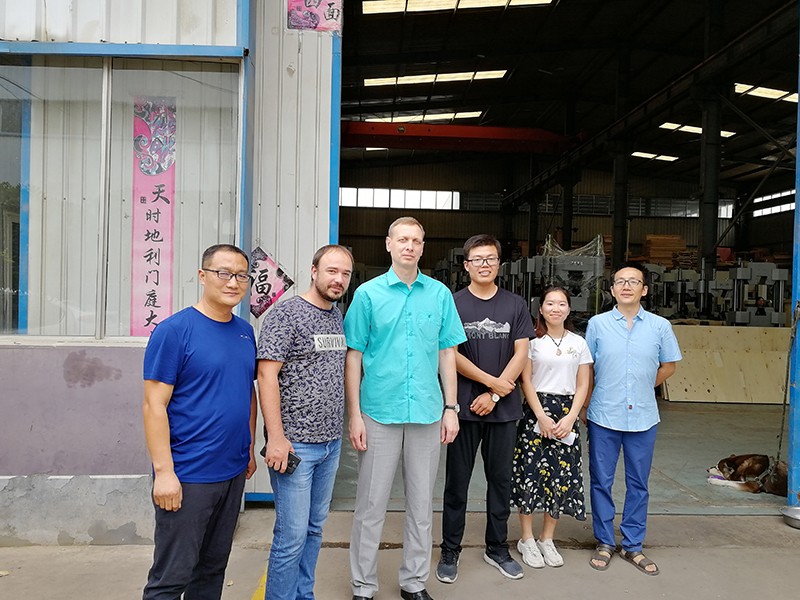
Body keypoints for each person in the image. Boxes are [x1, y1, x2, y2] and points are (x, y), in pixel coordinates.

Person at [345, 216, 467, 600]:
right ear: (389, 244)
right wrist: (354, 415)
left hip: (427, 412)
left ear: (422, 246)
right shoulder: (367, 295)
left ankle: (413, 582)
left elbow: (447, 353)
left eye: (415, 240)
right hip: (378, 411)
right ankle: (363, 586)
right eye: (402, 239)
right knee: (371, 505)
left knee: (420, 505)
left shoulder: (440, 295)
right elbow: (353, 356)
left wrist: (451, 407)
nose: (409, 246)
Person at [142, 243, 258, 599]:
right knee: (171, 577)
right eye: (224, 273)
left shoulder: (244, 331)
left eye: (241, 276)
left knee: (211, 570)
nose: (233, 282)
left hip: (232, 471)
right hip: (189, 474)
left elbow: (247, 392)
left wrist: (249, 447)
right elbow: (153, 405)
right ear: (202, 276)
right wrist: (164, 473)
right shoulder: (174, 331)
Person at [256, 244, 354, 600]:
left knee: (314, 530)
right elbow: (266, 376)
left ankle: (303, 595)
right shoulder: (286, 314)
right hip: (295, 446)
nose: (338, 279)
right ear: (314, 271)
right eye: (331, 271)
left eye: (345, 273)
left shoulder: (336, 316)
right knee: (291, 536)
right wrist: (276, 438)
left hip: (330, 445)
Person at [437, 234, 533, 584]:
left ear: (498, 264)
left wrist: (494, 395)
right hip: (463, 409)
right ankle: (450, 549)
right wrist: (492, 383)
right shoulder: (453, 303)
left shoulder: (515, 304)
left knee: (500, 482)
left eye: (490, 258)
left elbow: (522, 352)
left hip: (503, 411)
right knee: (457, 483)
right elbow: (450, 354)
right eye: (477, 259)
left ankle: (497, 547)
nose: (484, 264)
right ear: (466, 265)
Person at [585, 261, 682, 576]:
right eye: (620, 281)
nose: (626, 286)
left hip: (643, 416)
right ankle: (604, 541)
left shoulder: (659, 326)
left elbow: (669, 366)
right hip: (603, 414)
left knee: (638, 483)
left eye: (634, 281)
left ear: (645, 290)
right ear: (612, 290)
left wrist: (641, 385)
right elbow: (587, 368)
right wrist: (584, 405)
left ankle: (632, 544)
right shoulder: (598, 324)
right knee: (601, 481)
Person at [510, 286, 592, 570]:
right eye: (550, 304)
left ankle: (547, 539)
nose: (556, 309)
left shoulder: (579, 343)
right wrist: (541, 417)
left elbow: (583, 383)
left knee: (560, 477)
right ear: (541, 309)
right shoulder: (532, 342)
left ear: (569, 309)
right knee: (530, 474)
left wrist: (571, 417)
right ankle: (526, 539)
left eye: (561, 304)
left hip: (566, 414)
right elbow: (526, 381)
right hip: (537, 411)